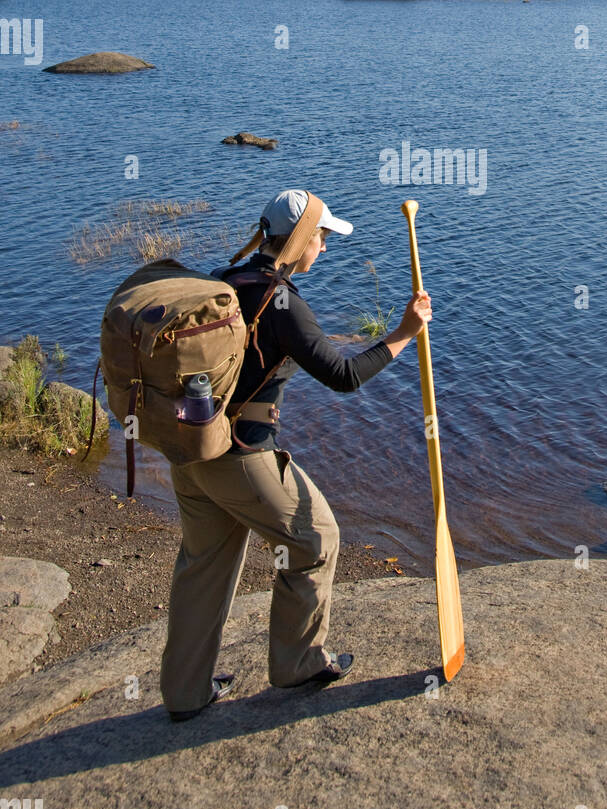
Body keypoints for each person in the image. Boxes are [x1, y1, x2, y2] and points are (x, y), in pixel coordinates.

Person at [159, 187, 431, 721]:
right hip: (239, 455)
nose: (324, 248)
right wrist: (403, 334)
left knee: (204, 566)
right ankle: (297, 662)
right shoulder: (281, 300)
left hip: (190, 451)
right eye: (322, 237)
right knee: (317, 539)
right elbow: (344, 375)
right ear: (302, 239)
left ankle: (185, 692)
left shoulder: (223, 282)